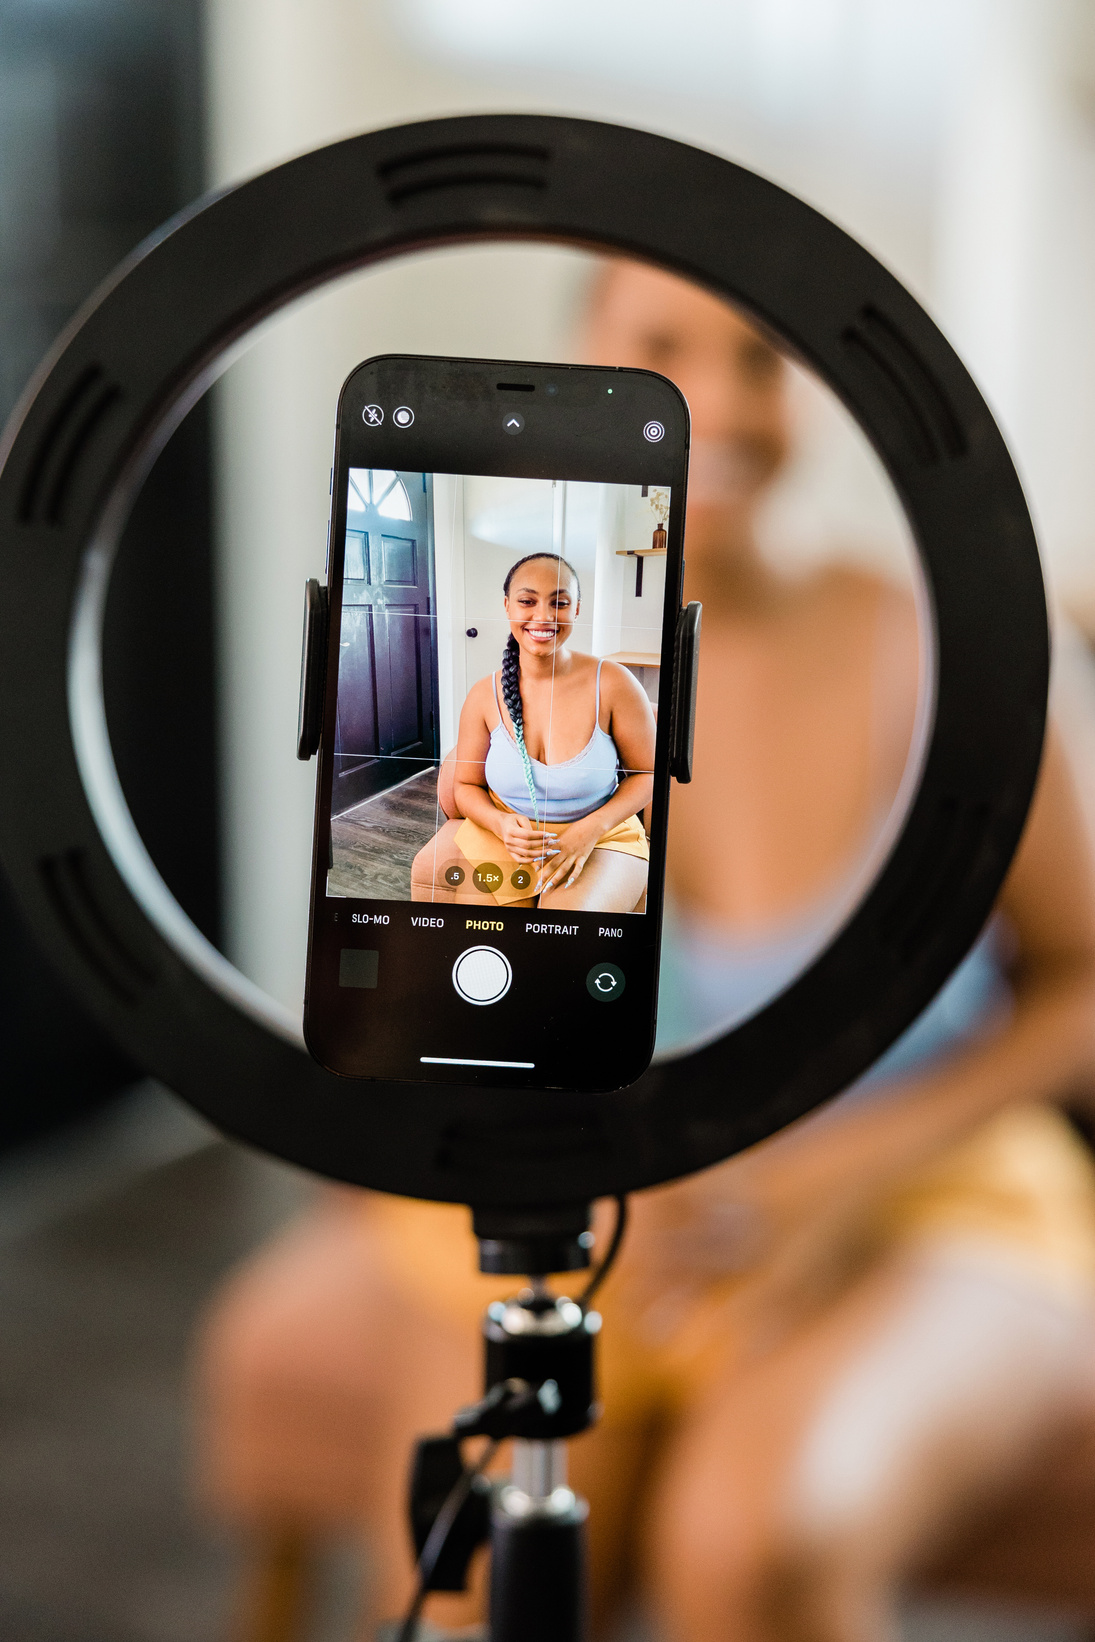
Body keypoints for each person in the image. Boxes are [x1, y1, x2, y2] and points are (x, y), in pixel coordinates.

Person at [199, 263, 1095, 1642]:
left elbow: (1081, 983)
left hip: (919, 1190)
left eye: (759, 357)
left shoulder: (944, 649)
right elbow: (427, 991)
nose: (723, 401)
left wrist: (827, 1179)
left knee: (757, 1554)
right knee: (472, 1569)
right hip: (598, 1190)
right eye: (664, 348)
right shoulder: (477, 672)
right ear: (579, 372)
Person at [410, 550, 654, 914]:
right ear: (508, 605)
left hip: (601, 836)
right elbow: (464, 787)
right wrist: (501, 824)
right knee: (483, 941)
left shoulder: (615, 684)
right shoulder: (483, 696)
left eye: (559, 603)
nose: (543, 616)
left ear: (577, 610)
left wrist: (589, 829)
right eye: (527, 601)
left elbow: (648, 774)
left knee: (565, 935)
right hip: (504, 840)